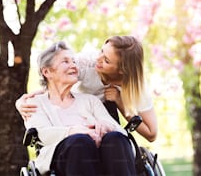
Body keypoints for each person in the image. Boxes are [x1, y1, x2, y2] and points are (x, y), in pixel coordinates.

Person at [17, 35, 158, 142]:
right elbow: (54, 80)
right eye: (101, 51)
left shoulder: (136, 88)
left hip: (103, 119)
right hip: (73, 115)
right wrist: (24, 102)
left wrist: (120, 102)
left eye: (106, 61)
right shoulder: (87, 62)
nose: (98, 59)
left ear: (122, 70)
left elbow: (151, 134)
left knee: (116, 138)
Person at [25, 41, 136, 175]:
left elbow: (121, 133)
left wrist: (106, 126)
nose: (73, 65)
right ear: (47, 71)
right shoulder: (34, 104)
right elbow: (42, 134)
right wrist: (74, 131)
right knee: (80, 141)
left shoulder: (90, 100)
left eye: (73, 61)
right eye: (65, 62)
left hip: (100, 156)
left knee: (115, 138)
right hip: (63, 159)